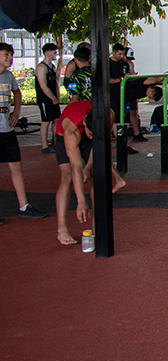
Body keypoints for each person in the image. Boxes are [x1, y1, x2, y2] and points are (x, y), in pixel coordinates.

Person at [54, 100, 126, 245]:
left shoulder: (108, 115)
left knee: (95, 173)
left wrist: (87, 167)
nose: (92, 136)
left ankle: (96, 222)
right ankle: (62, 229)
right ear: (86, 125)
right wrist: (81, 201)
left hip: (89, 133)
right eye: (90, 133)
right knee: (68, 176)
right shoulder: (72, 129)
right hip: (65, 136)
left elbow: (97, 146)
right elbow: (76, 167)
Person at [0, 42, 45, 224]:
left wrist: (17, 112)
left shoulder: (9, 76)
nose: (10, 58)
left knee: (16, 167)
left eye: (11, 54)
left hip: (6, 129)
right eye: (5, 54)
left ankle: (24, 206)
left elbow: (17, 94)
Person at [34, 42, 61, 154]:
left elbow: (55, 83)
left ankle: (56, 142)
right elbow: (43, 85)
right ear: (48, 53)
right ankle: (44, 145)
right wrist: (52, 98)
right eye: (54, 53)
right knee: (46, 121)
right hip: (45, 100)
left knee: (56, 120)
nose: (56, 55)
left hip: (53, 98)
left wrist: (58, 96)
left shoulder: (52, 67)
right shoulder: (41, 67)